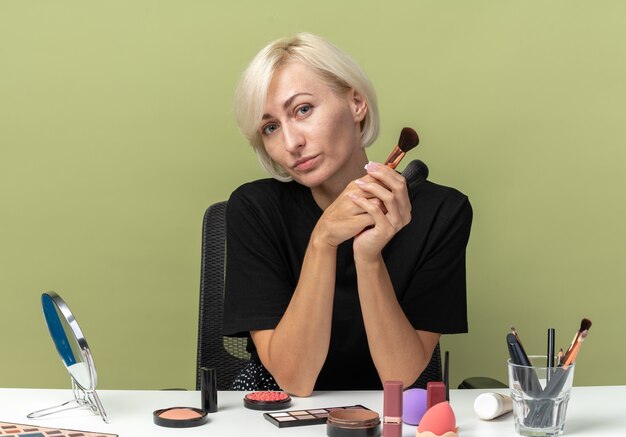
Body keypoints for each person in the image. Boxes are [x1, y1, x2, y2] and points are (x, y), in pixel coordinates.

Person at [222, 33, 471, 397]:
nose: (291, 143)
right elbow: (294, 380)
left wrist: (368, 257)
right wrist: (323, 240)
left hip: (393, 407)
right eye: (271, 127)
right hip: (276, 404)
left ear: (356, 103)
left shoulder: (442, 213)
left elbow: (399, 380)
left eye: (303, 109)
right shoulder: (254, 210)